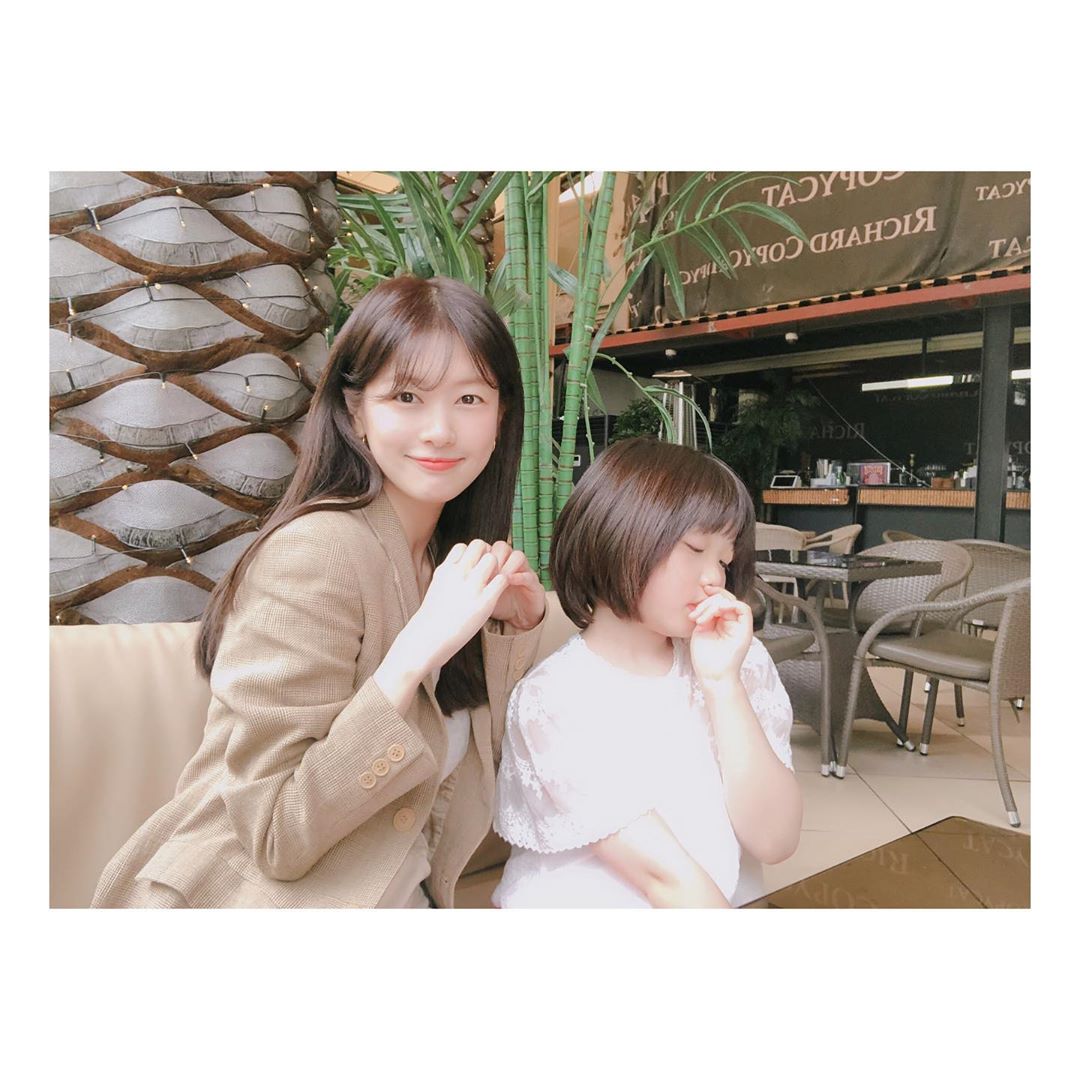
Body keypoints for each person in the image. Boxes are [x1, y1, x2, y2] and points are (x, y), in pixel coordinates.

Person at [92, 275, 547, 908]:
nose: (440, 430)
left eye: (469, 398)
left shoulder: (448, 562)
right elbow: (276, 833)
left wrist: (511, 629)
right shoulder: (315, 554)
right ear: (356, 412)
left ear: (501, 416)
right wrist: (414, 653)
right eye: (407, 396)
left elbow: (469, 783)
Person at [492, 437, 801, 908]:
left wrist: (723, 686)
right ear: (617, 533)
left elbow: (775, 840)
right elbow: (666, 880)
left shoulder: (739, 662)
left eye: (724, 559)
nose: (715, 577)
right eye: (695, 547)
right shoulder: (554, 698)